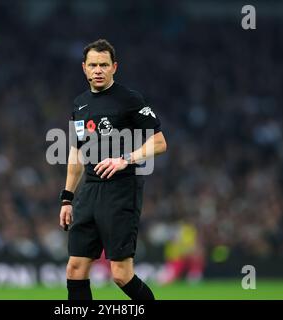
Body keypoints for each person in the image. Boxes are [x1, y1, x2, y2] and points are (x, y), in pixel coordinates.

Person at [58, 39, 167, 300]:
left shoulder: (129, 99)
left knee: (120, 273)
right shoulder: (79, 105)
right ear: (84, 68)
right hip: (90, 191)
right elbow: (76, 153)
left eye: (104, 65)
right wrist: (66, 198)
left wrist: (125, 158)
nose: (98, 70)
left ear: (114, 67)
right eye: (93, 65)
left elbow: (160, 142)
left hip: (121, 190)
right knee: (75, 268)